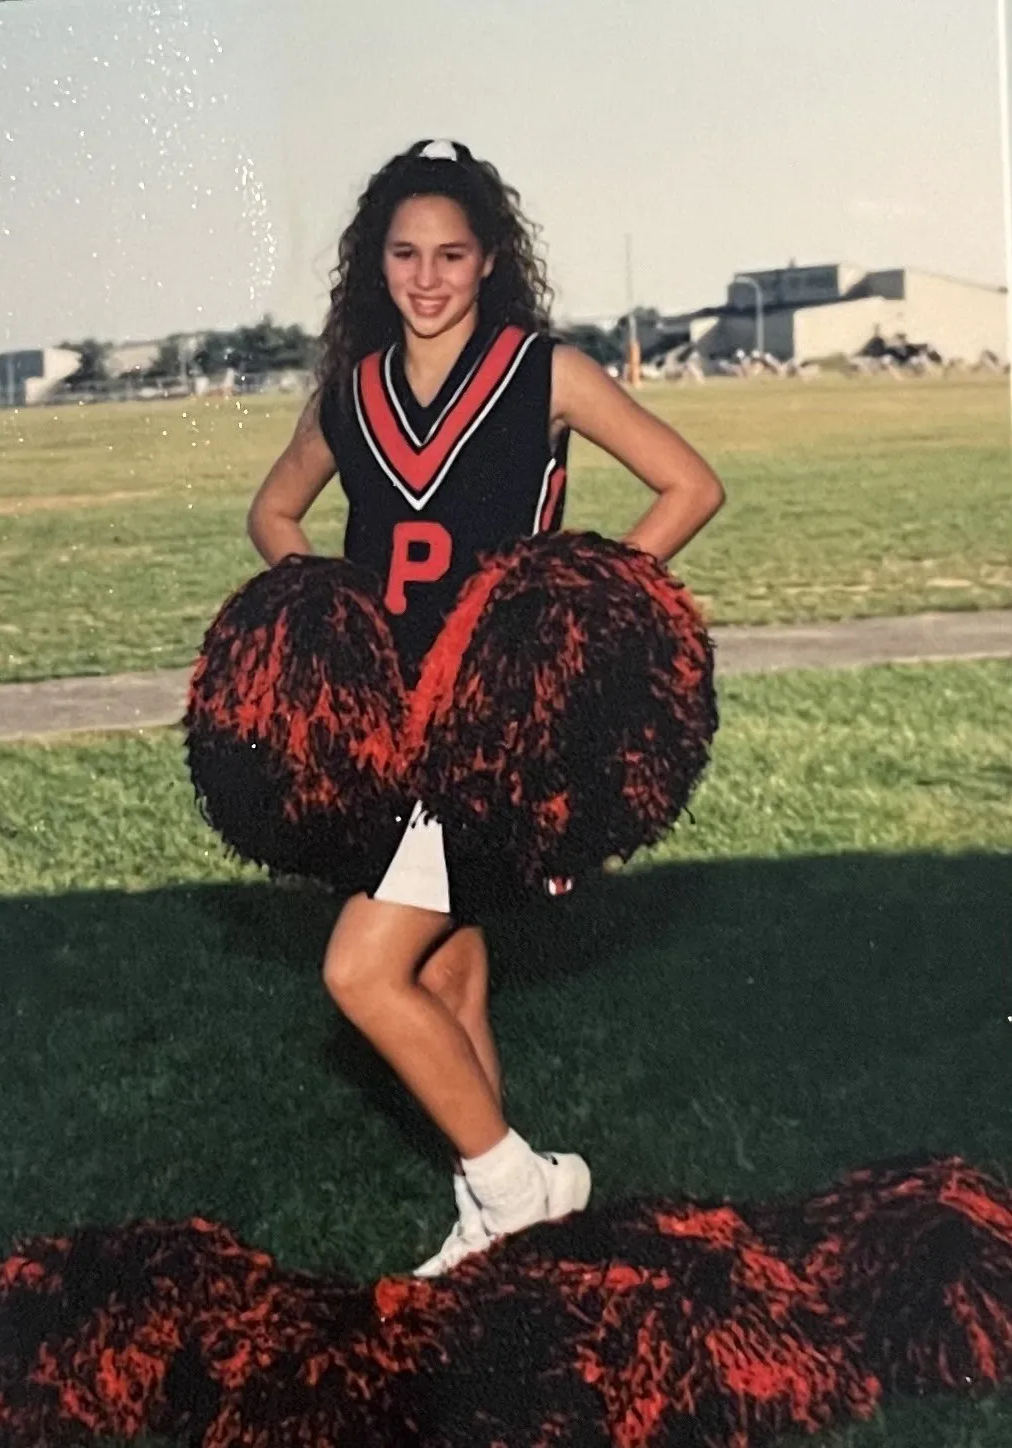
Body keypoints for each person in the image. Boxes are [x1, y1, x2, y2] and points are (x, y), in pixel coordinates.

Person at [245, 139, 726, 1276]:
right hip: (388, 729)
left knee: (362, 970)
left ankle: (522, 1188)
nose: (425, 277)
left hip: (487, 734)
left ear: (489, 258)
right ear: (376, 264)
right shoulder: (352, 391)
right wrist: (325, 608)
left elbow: (691, 484)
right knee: (448, 969)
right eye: (404, 254)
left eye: (450, 254)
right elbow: (274, 511)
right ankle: (494, 1224)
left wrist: (582, 608)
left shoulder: (541, 370)